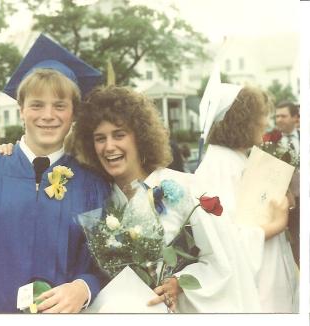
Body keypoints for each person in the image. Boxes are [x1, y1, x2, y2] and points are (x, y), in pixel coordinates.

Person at [0, 34, 110, 313]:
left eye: (59, 105)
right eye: (37, 104)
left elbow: (104, 263)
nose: (48, 115)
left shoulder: (92, 184)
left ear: (73, 113)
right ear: (21, 109)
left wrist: (84, 287)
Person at [72, 85, 288, 313]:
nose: (109, 147)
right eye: (99, 138)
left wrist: (180, 283)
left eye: (119, 135)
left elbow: (222, 261)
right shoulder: (101, 199)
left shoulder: (184, 188)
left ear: (140, 137)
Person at [195, 84, 298, 312]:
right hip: (255, 290)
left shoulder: (236, 158)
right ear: (242, 120)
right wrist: (278, 223)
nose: (265, 123)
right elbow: (228, 240)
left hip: (268, 276)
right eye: (260, 116)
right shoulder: (220, 165)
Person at [274, 101, 300, 266]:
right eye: (276, 116)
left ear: (295, 118)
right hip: (284, 203)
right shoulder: (270, 140)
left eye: (283, 116)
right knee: (291, 244)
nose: (278, 120)